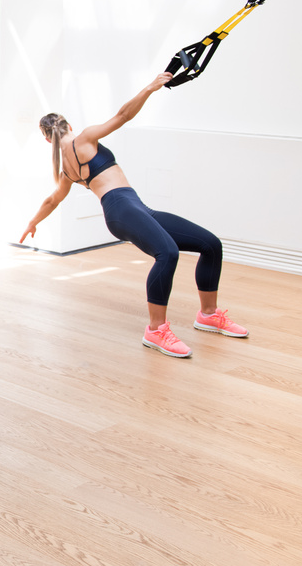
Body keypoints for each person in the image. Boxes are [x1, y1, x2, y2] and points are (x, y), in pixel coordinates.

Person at [21, 71, 248, 358]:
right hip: (121, 208)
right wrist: (151, 87)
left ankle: (208, 314)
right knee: (168, 253)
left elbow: (53, 200)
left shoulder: (65, 169)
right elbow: (123, 114)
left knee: (210, 244)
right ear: (68, 125)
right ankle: (156, 330)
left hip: (134, 208)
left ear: (46, 140)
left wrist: (32, 222)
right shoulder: (84, 138)